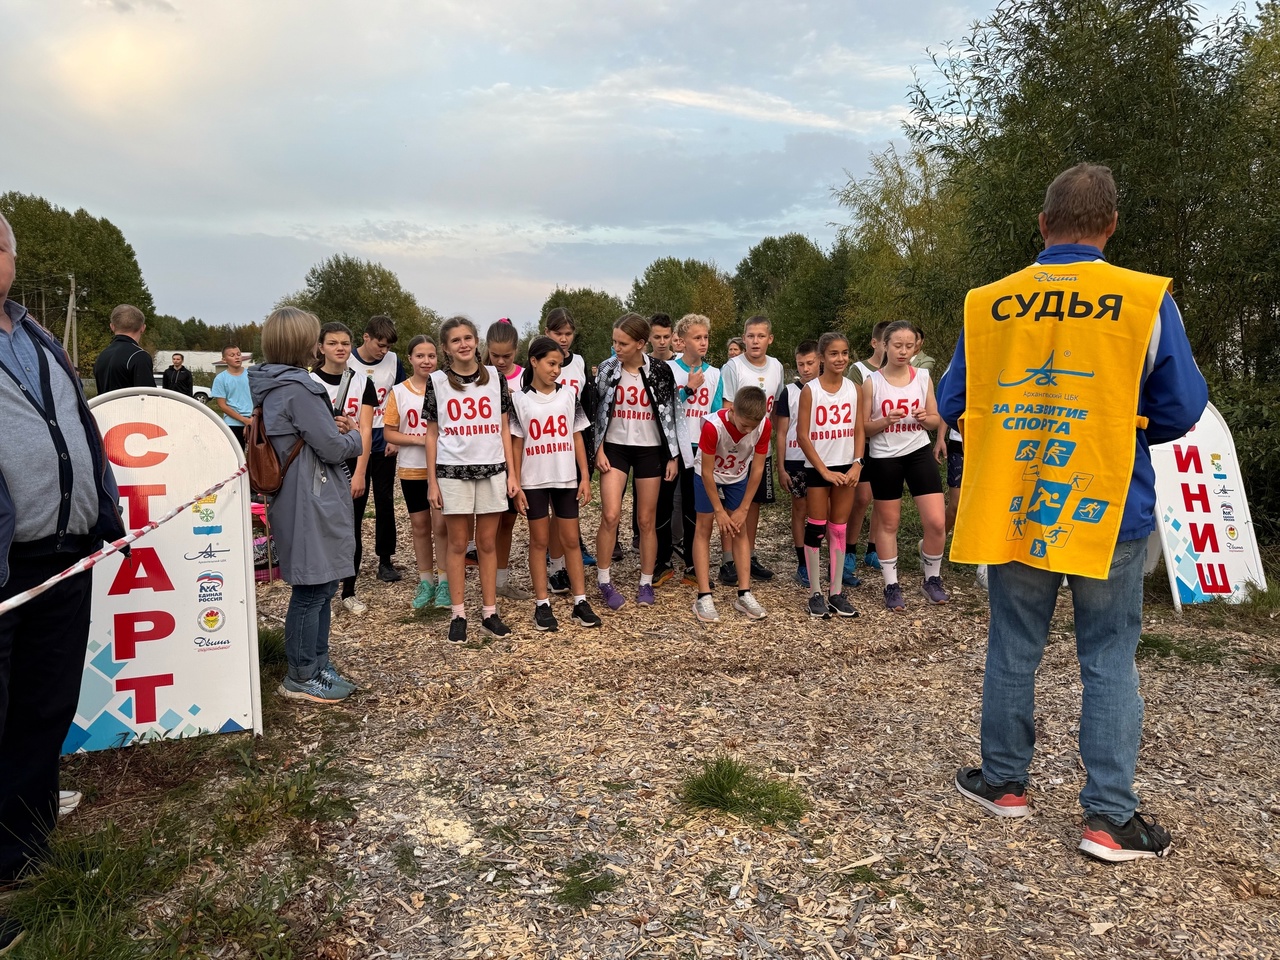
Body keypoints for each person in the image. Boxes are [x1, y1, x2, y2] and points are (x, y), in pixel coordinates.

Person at [938, 163, 1207, 863]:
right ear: (1111, 225)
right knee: (1109, 657)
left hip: (1017, 504)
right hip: (1109, 505)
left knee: (1013, 645)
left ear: (1042, 224)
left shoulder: (989, 303)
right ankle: (1109, 819)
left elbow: (949, 402)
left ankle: (1003, 783)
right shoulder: (1146, 302)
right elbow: (1180, 409)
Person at [0, 213, 127, 952]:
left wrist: (100, 512)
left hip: (61, 555)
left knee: (43, 709)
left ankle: (26, 859)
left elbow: (77, 427)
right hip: (5, 565)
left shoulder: (37, 335)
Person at [249, 307, 364, 703]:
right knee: (314, 588)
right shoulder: (299, 388)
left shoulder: (273, 385)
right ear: (304, 343)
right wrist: (356, 438)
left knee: (322, 583)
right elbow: (332, 446)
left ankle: (317, 664)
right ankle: (301, 674)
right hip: (310, 496)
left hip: (296, 493)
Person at [426, 316, 519, 643]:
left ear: (476, 341)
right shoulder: (436, 381)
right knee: (456, 544)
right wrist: (432, 482)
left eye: (468, 337)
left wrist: (511, 473)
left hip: (492, 470)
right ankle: (458, 613)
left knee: (487, 544)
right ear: (446, 348)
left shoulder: (495, 377)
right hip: (452, 472)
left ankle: (490, 612)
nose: (463, 344)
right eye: (456, 340)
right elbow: (432, 433)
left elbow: (505, 427)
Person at [510, 336, 601, 631]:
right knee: (538, 542)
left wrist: (585, 476)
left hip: (565, 478)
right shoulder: (519, 400)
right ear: (533, 361)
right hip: (533, 480)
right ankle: (542, 604)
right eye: (551, 363)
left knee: (571, 540)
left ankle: (580, 601)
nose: (556, 370)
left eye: (559, 365)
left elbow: (577, 436)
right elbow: (515, 444)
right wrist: (516, 482)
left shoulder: (568, 396)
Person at [591, 313, 680, 610]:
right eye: (614, 341)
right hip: (615, 448)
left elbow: (671, 415)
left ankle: (645, 581)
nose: (616, 347)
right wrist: (598, 449)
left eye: (623, 343)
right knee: (610, 515)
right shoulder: (606, 369)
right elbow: (596, 412)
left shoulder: (661, 371)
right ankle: (604, 580)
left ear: (641, 344)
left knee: (646, 520)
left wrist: (672, 456)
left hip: (650, 450)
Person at [861, 320, 949, 612]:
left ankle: (932, 579)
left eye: (909, 346)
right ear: (884, 345)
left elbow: (936, 419)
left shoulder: (923, 376)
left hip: (918, 451)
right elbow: (863, 428)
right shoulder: (872, 382)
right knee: (889, 523)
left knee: (937, 522)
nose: (903, 351)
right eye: (897, 345)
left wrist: (926, 419)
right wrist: (885, 420)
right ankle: (891, 584)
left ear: (916, 347)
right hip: (885, 456)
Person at [795, 332, 866, 619]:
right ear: (822, 357)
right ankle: (815, 592)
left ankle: (835, 592)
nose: (840, 359)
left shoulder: (854, 389)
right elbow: (802, 435)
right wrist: (823, 470)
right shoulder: (810, 390)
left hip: (846, 467)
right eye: (834, 354)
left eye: (845, 353)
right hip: (818, 468)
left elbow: (859, 429)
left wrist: (858, 464)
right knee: (816, 528)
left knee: (839, 529)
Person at [309, 323, 376, 616]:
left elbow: (365, 430)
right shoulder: (308, 382)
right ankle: (320, 589)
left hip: (351, 464)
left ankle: (349, 590)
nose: (340, 348)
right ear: (320, 347)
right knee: (319, 528)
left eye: (345, 343)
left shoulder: (362, 382)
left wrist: (360, 472)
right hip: (316, 464)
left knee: (351, 528)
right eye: (333, 342)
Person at [691, 386, 770, 623]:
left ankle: (744, 593)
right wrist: (719, 511)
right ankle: (703, 595)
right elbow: (706, 471)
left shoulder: (763, 426)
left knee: (740, 529)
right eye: (743, 425)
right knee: (704, 528)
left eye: (752, 427)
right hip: (709, 476)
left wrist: (744, 508)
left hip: (737, 476)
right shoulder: (712, 427)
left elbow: (757, 468)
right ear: (732, 409)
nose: (747, 431)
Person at [384, 335, 450, 611]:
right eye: (420, 356)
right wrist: (420, 440)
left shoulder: (447, 388)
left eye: (431, 356)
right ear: (409, 359)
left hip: (443, 468)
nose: (426, 361)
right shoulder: (399, 392)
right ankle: (426, 581)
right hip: (412, 469)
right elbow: (389, 432)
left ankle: (446, 582)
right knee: (420, 527)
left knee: (441, 526)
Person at [718, 315, 782, 585]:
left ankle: (750, 555)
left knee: (752, 503)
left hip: (761, 446)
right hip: (736, 447)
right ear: (743, 338)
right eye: (750, 336)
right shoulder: (733, 366)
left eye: (761, 336)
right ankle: (728, 559)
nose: (755, 341)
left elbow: (775, 407)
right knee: (731, 502)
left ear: (770, 339)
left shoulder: (777, 366)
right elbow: (727, 406)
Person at [347, 315, 405, 583]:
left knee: (384, 501)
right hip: (353, 439)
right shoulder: (346, 359)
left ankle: (385, 559)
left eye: (388, 347)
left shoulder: (393, 362)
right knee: (353, 502)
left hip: (383, 438)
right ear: (365, 337)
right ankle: (349, 560)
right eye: (380, 345)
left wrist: (395, 436)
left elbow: (400, 398)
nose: (384, 351)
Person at [543, 307, 597, 589]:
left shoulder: (578, 362)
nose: (564, 339)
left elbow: (585, 406)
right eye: (558, 333)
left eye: (568, 333)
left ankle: (564, 558)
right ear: (547, 333)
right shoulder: (539, 363)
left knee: (568, 507)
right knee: (555, 509)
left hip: (574, 441)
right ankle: (554, 565)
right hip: (547, 445)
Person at [667, 314, 723, 583]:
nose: (703, 343)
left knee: (694, 507)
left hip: (700, 448)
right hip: (671, 447)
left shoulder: (715, 374)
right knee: (664, 504)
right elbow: (663, 409)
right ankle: (661, 562)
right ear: (682, 341)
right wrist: (687, 390)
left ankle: (692, 564)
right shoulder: (669, 370)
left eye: (706, 337)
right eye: (697, 337)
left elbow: (715, 415)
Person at [485, 319, 533, 602]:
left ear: (517, 351)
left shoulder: (527, 376)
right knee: (487, 526)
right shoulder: (480, 376)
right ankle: (487, 584)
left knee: (507, 523)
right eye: (495, 355)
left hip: (517, 460)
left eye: (507, 356)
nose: (501, 361)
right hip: (487, 460)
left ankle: (500, 581)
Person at [775, 340, 820, 588]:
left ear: (819, 361)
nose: (805, 368)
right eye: (800, 364)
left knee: (824, 512)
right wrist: (781, 467)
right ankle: (802, 563)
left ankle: (827, 561)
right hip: (795, 459)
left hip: (825, 458)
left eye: (810, 363)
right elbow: (781, 432)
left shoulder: (830, 389)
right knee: (800, 510)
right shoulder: (789, 392)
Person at [846, 320, 889, 573]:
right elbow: (853, 406)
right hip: (863, 442)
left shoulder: (904, 371)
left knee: (882, 498)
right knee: (862, 498)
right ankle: (850, 550)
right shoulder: (859, 370)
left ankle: (873, 549)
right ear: (875, 343)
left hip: (889, 443)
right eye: (886, 342)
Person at [92, 304, 153, 395]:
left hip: (103, 408)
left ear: (112, 327)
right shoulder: (139, 355)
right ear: (143, 328)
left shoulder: (103, 355)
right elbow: (148, 397)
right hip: (129, 408)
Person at [212, 345, 253, 447]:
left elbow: (259, 399)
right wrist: (244, 420)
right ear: (224, 359)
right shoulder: (220, 379)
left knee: (256, 457)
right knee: (236, 458)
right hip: (233, 424)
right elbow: (222, 405)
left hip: (253, 421)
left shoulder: (252, 375)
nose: (237, 357)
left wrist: (252, 419)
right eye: (232, 355)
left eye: (239, 354)